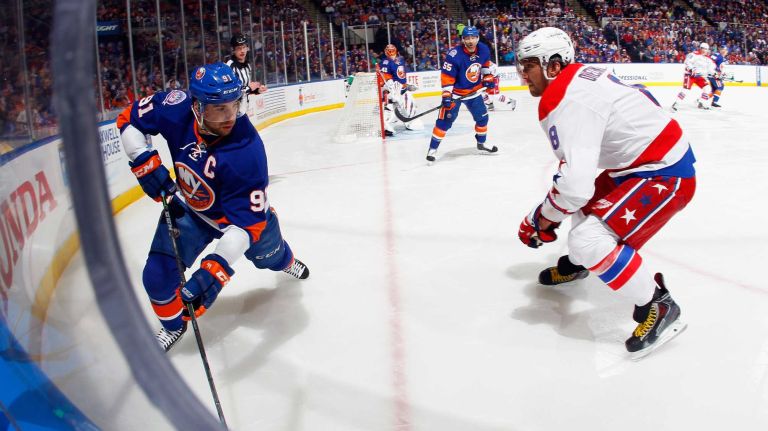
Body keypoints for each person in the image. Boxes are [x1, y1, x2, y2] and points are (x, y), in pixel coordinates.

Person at [515, 27, 696, 360]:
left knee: (588, 238)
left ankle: (659, 305)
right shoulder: (579, 78)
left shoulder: (565, 98)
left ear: (554, 66)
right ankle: (580, 264)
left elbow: (574, 186)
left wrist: (540, 218)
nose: (522, 74)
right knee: (585, 217)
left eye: (528, 65)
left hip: (664, 173)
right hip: (644, 163)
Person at [116, 62, 309, 352]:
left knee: (272, 257)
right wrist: (142, 160)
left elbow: (246, 226)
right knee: (156, 277)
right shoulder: (174, 106)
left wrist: (215, 269)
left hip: (240, 221)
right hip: (190, 210)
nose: (230, 115)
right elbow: (129, 120)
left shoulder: (247, 150)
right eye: (219, 108)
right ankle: (173, 325)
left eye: (235, 104)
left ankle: (287, 260)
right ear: (196, 106)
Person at [427, 26, 497, 163]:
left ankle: (481, 143)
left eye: (473, 37)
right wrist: (447, 95)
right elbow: (447, 76)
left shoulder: (483, 49)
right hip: (456, 94)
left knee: (482, 118)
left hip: (474, 92)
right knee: (444, 122)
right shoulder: (454, 55)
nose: (470, 41)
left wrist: (488, 77)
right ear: (463, 39)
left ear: (477, 38)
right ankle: (432, 149)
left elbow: (485, 66)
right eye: (467, 38)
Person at [379, 43, 422, 135]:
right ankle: (385, 126)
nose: (391, 53)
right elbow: (386, 79)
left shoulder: (400, 60)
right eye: (389, 51)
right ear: (386, 52)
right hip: (392, 90)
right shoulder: (385, 62)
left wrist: (407, 85)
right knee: (390, 108)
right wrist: (392, 90)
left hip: (402, 89)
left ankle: (410, 123)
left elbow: (401, 77)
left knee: (411, 107)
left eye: (392, 51)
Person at [226, 33, 267, 114]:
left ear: (247, 48)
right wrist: (249, 88)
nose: (242, 51)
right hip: (232, 113)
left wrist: (257, 90)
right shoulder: (229, 66)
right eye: (238, 48)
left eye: (244, 47)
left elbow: (246, 90)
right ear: (233, 50)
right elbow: (228, 92)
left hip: (243, 111)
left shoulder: (247, 65)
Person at [671, 42, 716, 111]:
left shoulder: (708, 59)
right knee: (685, 90)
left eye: (706, 49)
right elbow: (687, 62)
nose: (704, 50)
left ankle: (701, 103)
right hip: (690, 75)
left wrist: (714, 73)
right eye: (703, 48)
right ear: (700, 48)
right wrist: (692, 69)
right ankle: (676, 103)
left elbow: (710, 69)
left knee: (707, 88)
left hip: (699, 76)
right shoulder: (693, 54)